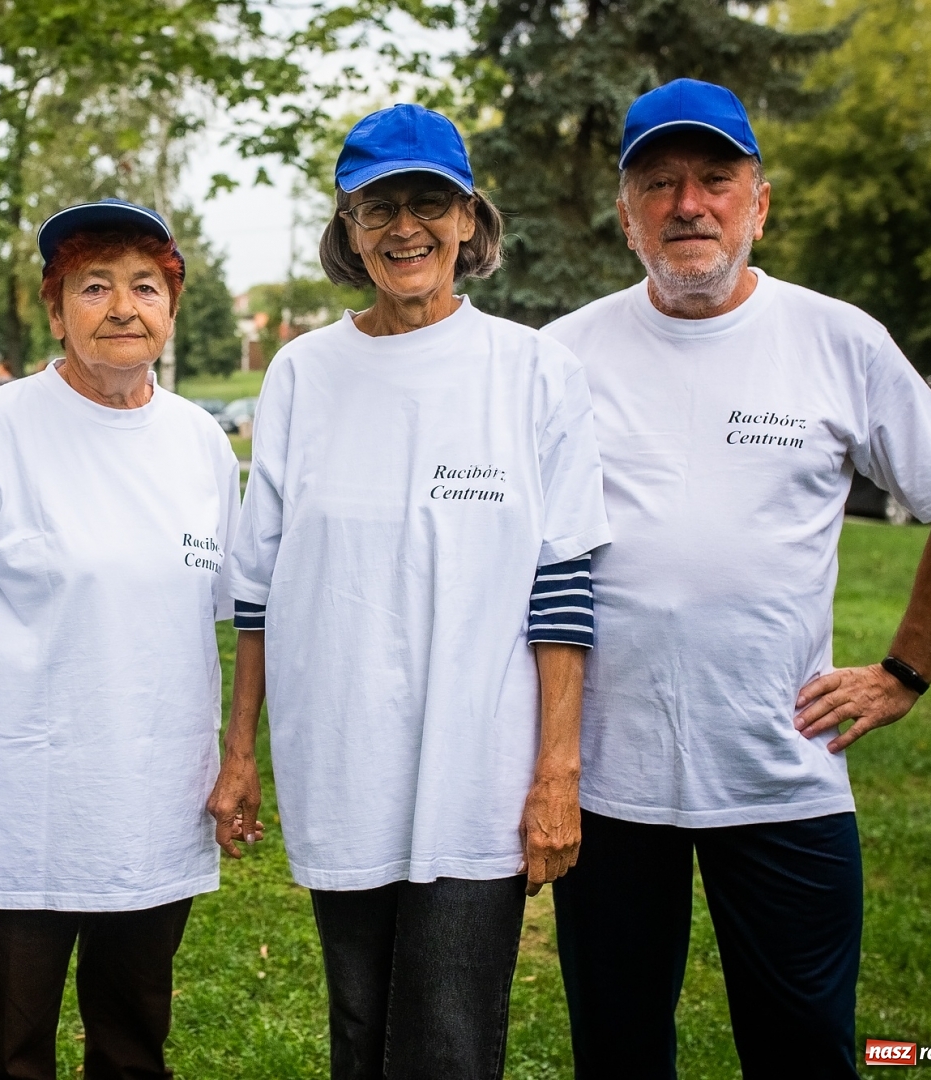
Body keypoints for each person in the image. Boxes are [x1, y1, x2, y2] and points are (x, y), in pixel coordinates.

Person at [543, 79, 931, 1079]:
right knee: (617, 1055)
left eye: (716, 178)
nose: (688, 204)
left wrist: (902, 675)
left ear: (761, 202)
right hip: (610, 784)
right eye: (658, 184)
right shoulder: (560, 357)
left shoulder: (838, 339)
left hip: (783, 774)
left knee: (804, 1051)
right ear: (626, 216)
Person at [211, 104, 611, 1080]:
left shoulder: (533, 372)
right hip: (341, 765)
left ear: (470, 219)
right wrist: (240, 753)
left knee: (448, 1041)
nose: (404, 227)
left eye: (428, 201)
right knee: (360, 1029)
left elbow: (563, 583)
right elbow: (260, 587)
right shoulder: (302, 374)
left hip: (475, 774)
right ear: (347, 231)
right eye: (376, 206)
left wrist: (557, 774)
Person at [0, 198, 239, 1080]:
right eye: (93, 285)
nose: (121, 307)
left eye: (146, 286)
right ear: (54, 305)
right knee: (10, 1049)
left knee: (135, 1043)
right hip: (21, 800)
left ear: (171, 309)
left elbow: (223, 615)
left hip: (153, 800)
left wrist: (234, 755)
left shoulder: (199, 444)